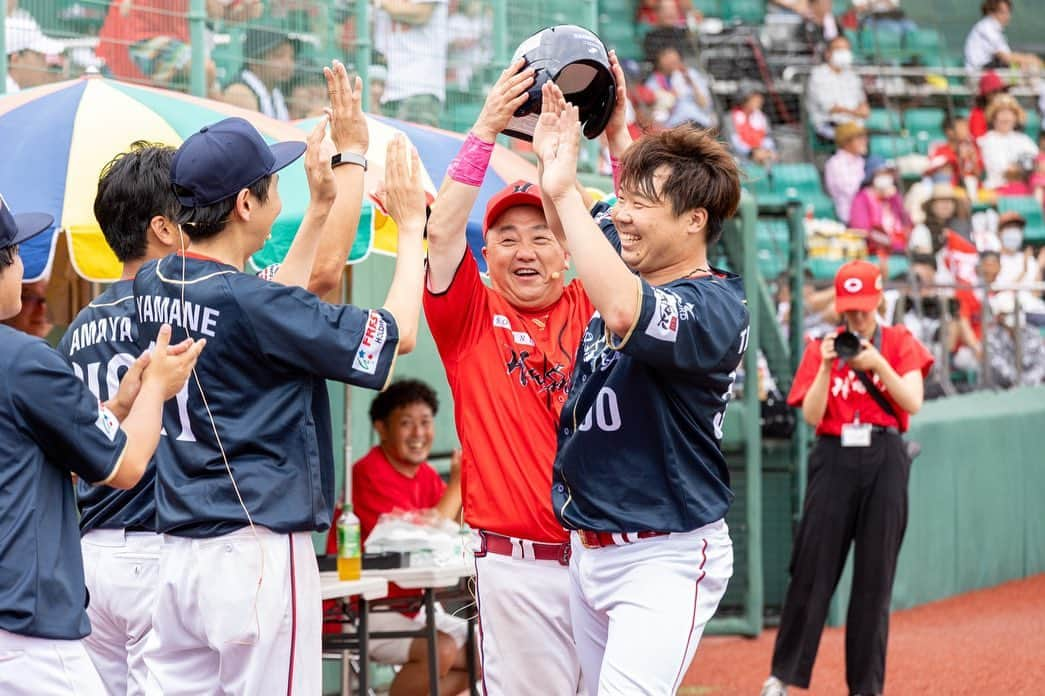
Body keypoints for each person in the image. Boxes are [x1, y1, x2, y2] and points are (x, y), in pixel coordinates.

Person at [58, 58, 366, 695]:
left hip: (102, 548)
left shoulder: (102, 311)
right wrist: (351, 173)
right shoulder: (208, 292)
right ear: (165, 226)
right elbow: (303, 290)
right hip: (180, 539)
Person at [135, 114, 426, 692]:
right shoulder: (251, 302)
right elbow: (396, 341)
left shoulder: (155, 279)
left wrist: (322, 207)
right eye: (271, 182)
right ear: (245, 203)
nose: (278, 189)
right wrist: (412, 226)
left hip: (178, 552)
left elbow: (274, 300)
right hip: (254, 550)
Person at [536, 93, 748, 693]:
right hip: (590, 546)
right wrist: (608, 136)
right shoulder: (638, 253)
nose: (621, 215)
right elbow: (574, 230)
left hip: (666, 552)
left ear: (695, 221)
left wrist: (563, 189)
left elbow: (626, 311)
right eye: (622, 199)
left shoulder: (715, 308)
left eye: (639, 205)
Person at [423, 58, 603, 694]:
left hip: (608, 563)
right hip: (518, 571)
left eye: (540, 237)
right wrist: (485, 128)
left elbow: (631, 242)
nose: (524, 251)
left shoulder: (594, 308)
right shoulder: (470, 315)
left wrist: (592, 150)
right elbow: (441, 231)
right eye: (506, 238)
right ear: (487, 255)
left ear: (566, 253)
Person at [0, 195, 203, 696]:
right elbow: (126, 466)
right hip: (28, 628)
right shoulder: (24, 360)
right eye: (17, 252)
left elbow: (42, 457)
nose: (23, 269)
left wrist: (118, 405)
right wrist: (156, 386)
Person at [761, 260, 933, 696]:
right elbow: (813, 415)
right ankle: (783, 675)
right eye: (848, 309)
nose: (855, 317)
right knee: (811, 567)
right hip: (834, 455)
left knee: (875, 578)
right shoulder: (822, 346)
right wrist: (823, 367)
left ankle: (865, 687)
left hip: (885, 456)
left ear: (877, 301)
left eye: (862, 308)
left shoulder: (898, 341)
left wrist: (877, 364)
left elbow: (912, 400)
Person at [328, 379, 471, 696]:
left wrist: (468, 487)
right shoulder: (368, 473)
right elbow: (424, 538)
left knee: (484, 649)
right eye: (407, 424)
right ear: (381, 428)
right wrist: (458, 484)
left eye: (425, 422)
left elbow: (456, 531)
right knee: (441, 650)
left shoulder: (427, 476)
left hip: (413, 605)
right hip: (360, 606)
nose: (419, 434)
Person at [373, 0, 449, 127]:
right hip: (385, 89)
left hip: (420, 88)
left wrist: (381, 3)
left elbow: (421, 14)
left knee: (415, 145)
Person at [222, 28, 297, 121]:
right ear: (255, 62)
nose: (288, 63)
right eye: (279, 55)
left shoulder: (276, 94)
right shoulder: (239, 92)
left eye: (292, 57)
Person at [806, 35, 869, 141]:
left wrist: (857, 111)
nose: (844, 53)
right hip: (828, 125)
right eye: (839, 49)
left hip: (854, 125)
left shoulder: (852, 75)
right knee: (854, 139)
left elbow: (864, 106)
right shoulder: (818, 74)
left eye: (846, 50)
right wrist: (856, 112)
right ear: (828, 54)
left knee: (867, 137)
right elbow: (831, 108)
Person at [849, 156, 911, 257]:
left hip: (901, 248)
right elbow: (862, 231)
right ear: (872, 175)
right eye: (882, 173)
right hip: (874, 250)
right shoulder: (861, 198)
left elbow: (907, 222)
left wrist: (897, 200)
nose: (887, 176)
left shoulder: (894, 197)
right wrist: (890, 242)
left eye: (889, 173)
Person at [645, 46, 717, 130]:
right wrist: (671, 96)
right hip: (673, 126)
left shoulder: (691, 74)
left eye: (674, 60)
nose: (672, 62)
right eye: (668, 58)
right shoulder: (653, 82)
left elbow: (705, 105)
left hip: (698, 121)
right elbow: (656, 114)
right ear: (659, 61)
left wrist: (692, 84)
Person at [977, 95, 1039, 190]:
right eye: (1001, 113)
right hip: (995, 189)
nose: (1006, 118)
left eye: (1010, 113)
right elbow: (1000, 169)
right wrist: (1016, 169)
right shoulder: (986, 140)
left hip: (1024, 189)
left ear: (1015, 118)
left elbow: (1036, 162)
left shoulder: (1024, 140)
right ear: (994, 117)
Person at [964, 0, 1042, 72]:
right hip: (979, 77)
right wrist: (1031, 59)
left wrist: (1024, 62)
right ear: (991, 12)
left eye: (1008, 12)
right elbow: (1005, 57)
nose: (1007, 16)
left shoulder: (992, 28)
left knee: (1025, 68)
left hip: (987, 73)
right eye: (1003, 12)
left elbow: (1007, 57)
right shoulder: (987, 27)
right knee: (1029, 68)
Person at [5, 9, 65, 93]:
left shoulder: (14, 94)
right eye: (39, 55)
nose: (45, 62)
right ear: (15, 60)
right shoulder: (10, 99)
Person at [824, 121, 869, 223]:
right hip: (848, 215)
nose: (864, 141)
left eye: (864, 138)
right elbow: (850, 191)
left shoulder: (860, 161)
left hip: (867, 211)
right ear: (846, 142)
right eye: (859, 139)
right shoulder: (835, 163)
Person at [730, 90, 777, 165]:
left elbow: (768, 137)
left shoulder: (762, 117)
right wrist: (752, 152)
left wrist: (767, 150)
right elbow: (734, 142)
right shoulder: (731, 117)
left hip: (761, 157)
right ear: (745, 100)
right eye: (754, 100)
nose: (759, 103)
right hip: (741, 159)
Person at [968, 71, 1007, 140]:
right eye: (995, 91)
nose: (999, 94)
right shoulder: (978, 114)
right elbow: (978, 139)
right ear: (985, 95)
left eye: (1002, 91)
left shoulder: (1008, 112)